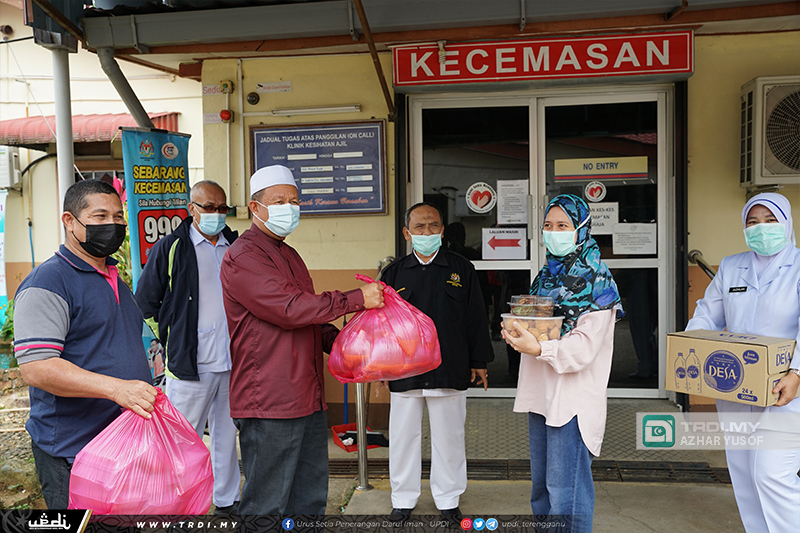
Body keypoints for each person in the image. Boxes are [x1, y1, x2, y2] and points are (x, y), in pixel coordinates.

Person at [220, 165, 385, 515]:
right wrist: (357, 298)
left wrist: (346, 345)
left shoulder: (289, 254)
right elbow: (290, 309)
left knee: (308, 499)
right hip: (270, 401)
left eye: (294, 201)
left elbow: (310, 319)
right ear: (255, 208)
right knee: (267, 504)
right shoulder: (244, 256)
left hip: (307, 397)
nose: (290, 208)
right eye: (279, 201)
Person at [13, 179, 157, 509]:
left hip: (122, 445)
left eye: (118, 217)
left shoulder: (114, 277)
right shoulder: (48, 282)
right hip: (73, 451)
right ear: (69, 221)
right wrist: (117, 389)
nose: (113, 225)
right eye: (100, 216)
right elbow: (37, 368)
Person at [503, 194, 623, 532]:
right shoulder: (546, 276)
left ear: (581, 229)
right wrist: (516, 331)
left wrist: (538, 347)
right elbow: (534, 323)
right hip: (541, 395)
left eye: (563, 225)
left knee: (566, 495)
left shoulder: (598, 281)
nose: (553, 232)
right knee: (542, 492)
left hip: (572, 401)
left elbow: (584, 348)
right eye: (548, 225)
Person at [685, 192, 800, 533]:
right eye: (753, 222)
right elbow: (708, 313)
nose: (761, 228)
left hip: (786, 390)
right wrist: (694, 346)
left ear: (787, 223)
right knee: (745, 475)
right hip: (736, 386)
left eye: (770, 220)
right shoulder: (732, 266)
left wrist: (797, 372)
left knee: (771, 474)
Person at [379, 202, 494, 526]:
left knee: (449, 438)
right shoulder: (393, 273)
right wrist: (383, 366)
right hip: (405, 369)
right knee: (403, 438)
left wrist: (479, 361)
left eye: (433, 226)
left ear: (442, 231)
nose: (427, 232)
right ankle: (403, 499)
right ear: (407, 233)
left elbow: (475, 316)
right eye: (419, 226)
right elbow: (383, 325)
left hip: (450, 366)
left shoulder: (461, 268)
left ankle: (448, 499)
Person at [135, 180, 241, 515]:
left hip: (232, 361)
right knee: (182, 439)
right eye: (209, 207)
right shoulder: (172, 248)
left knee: (227, 436)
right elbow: (144, 302)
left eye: (222, 208)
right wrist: (170, 339)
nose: (217, 214)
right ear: (192, 209)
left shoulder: (235, 245)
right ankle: (179, 507)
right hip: (189, 363)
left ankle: (227, 500)